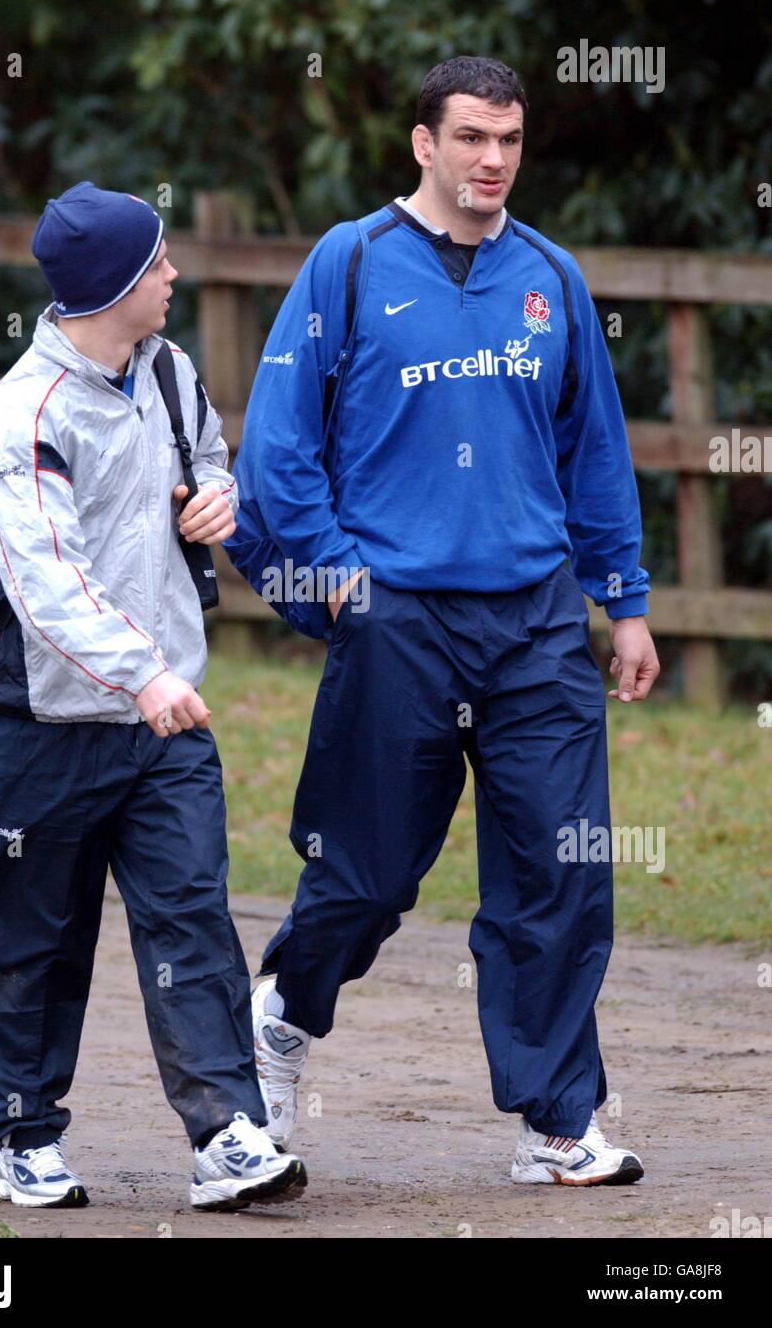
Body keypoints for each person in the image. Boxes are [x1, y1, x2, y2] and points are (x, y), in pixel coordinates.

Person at [229, 57, 660, 1187]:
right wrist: (337, 581)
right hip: (398, 619)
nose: (492, 160)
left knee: (563, 875)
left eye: (509, 141)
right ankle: (282, 1011)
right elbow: (278, 449)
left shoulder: (553, 279)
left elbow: (595, 451)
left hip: (532, 627)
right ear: (423, 144)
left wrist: (625, 604)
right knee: (365, 877)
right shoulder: (350, 263)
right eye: (471, 137)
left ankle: (557, 1120)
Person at [0, 180, 306, 1212]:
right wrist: (140, 672)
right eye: (157, 264)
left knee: (192, 915)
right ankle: (22, 1131)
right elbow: (44, 579)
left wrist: (217, 496)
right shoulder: (24, 416)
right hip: (38, 720)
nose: (175, 275)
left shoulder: (173, 370)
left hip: (162, 716)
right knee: (34, 935)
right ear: (110, 285)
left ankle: (229, 1133)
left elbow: (203, 460)